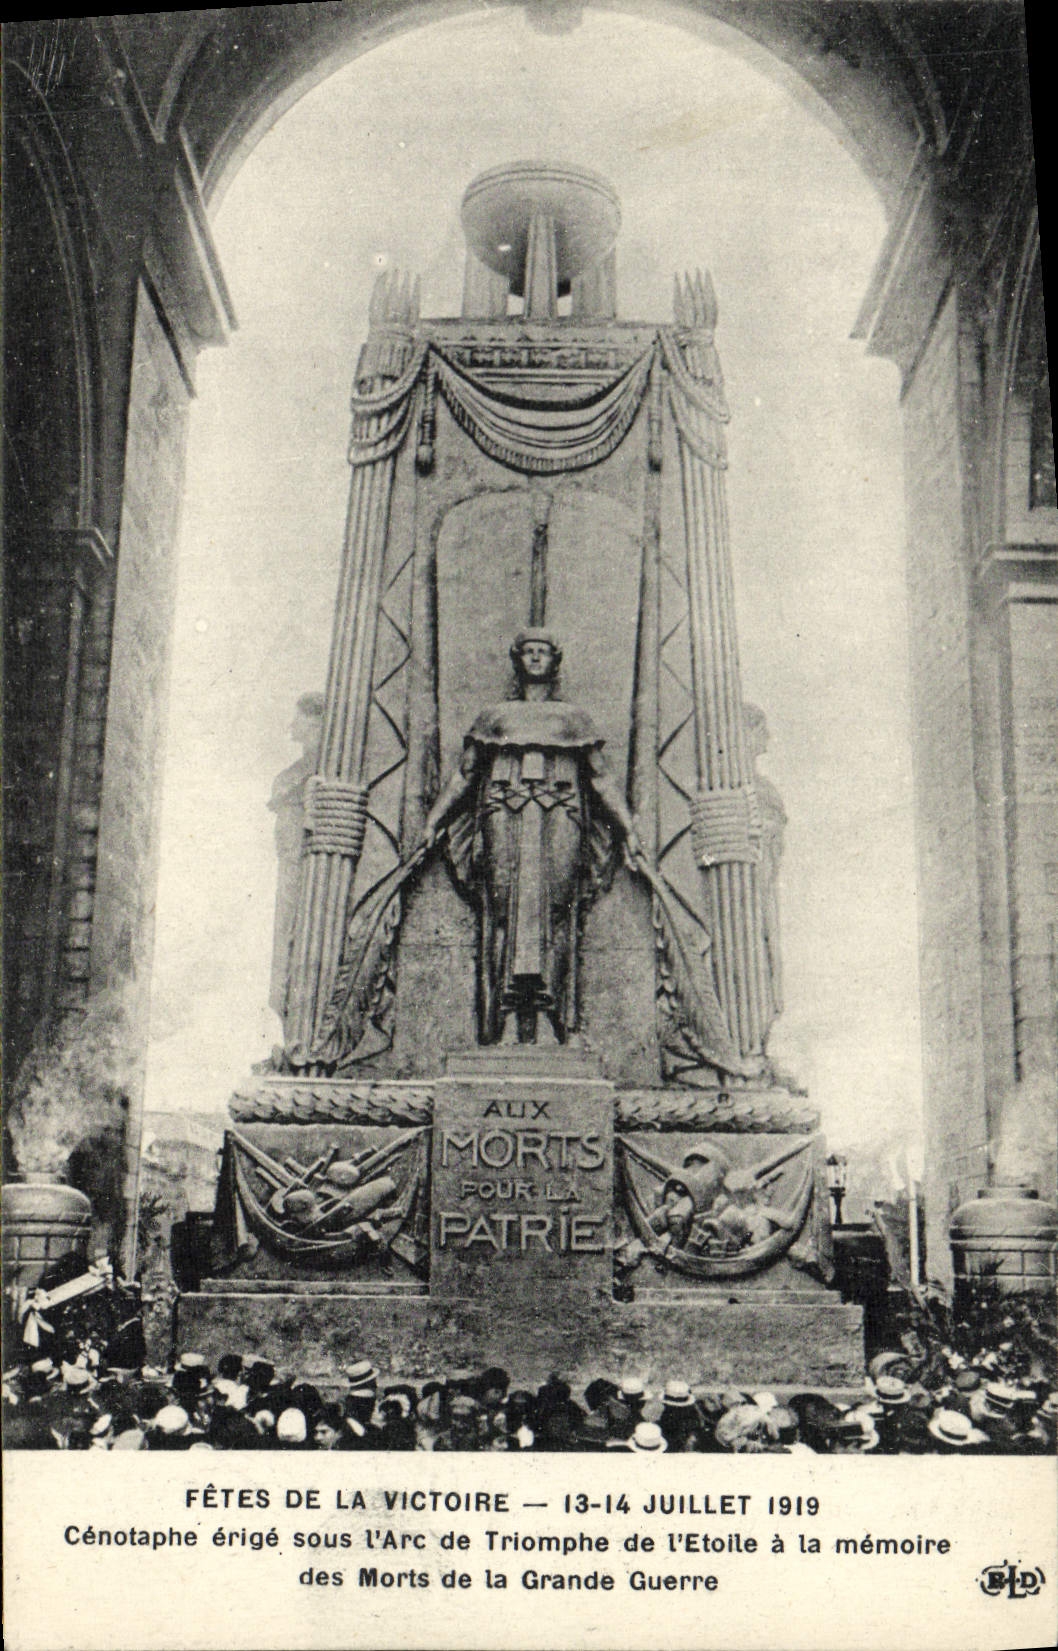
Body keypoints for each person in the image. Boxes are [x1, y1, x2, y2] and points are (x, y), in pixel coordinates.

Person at [423, 630, 640, 1044]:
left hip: (562, 814)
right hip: (504, 812)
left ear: (554, 661)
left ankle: (547, 1016)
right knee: (505, 913)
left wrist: (628, 828)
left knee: (555, 913)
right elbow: (466, 775)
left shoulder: (573, 719)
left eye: (543, 652)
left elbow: (601, 777)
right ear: (517, 659)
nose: (536, 658)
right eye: (529, 651)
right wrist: (434, 820)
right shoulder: (494, 716)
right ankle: (504, 1019)